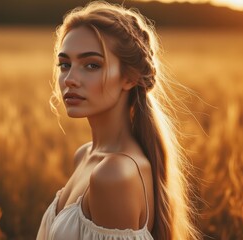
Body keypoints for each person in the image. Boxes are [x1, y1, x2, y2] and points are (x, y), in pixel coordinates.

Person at [37, 1, 200, 239]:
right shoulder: (85, 156)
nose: (70, 79)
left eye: (92, 65)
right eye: (65, 64)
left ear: (129, 77)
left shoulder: (114, 174)